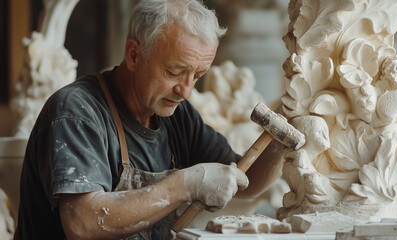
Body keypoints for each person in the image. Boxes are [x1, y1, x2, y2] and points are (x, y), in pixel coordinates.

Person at [15, 0, 286, 239]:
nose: (186, 90)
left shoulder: (177, 116)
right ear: (134, 55)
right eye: (174, 71)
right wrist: (185, 184)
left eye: (197, 76)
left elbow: (243, 180)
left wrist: (280, 142)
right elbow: (82, 223)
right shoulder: (78, 111)